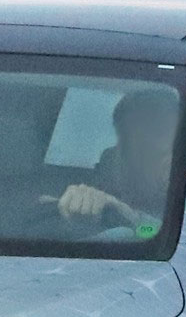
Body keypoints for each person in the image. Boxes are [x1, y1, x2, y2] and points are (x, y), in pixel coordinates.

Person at [52, 89, 179, 230]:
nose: (141, 143)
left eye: (157, 132)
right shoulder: (111, 169)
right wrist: (72, 204)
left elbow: (154, 234)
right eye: (128, 135)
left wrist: (132, 218)